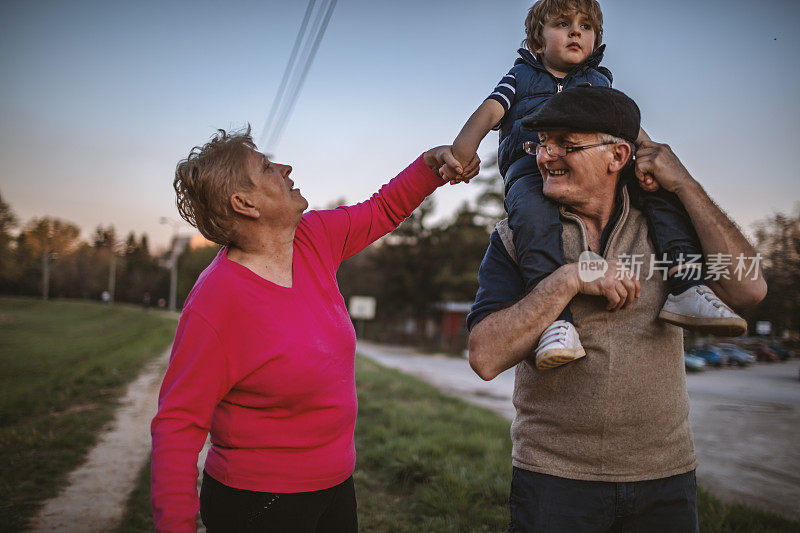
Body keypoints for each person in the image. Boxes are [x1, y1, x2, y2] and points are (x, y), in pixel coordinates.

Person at [466, 87, 766, 532]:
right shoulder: (517, 237)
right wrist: (568, 280)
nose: (546, 157)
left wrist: (684, 183)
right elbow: (485, 357)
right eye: (541, 143)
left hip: (665, 479)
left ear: (618, 155)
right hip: (553, 480)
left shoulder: (668, 234)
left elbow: (749, 289)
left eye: (567, 144)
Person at [149, 127, 478, 532]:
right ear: (244, 203)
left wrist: (432, 165)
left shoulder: (313, 238)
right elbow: (178, 424)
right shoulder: (217, 301)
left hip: (337, 487)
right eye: (267, 167)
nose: (286, 169)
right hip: (258, 503)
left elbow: (383, 210)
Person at [444, 0, 745, 370]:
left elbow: (627, 127)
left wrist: (650, 157)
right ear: (537, 43)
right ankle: (557, 323)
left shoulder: (598, 81)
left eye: (586, 26)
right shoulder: (521, 75)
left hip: (596, 167)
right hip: (529, 163)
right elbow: (491, 110)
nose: (575, 31)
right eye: (562, 23)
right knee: (533, 218)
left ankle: (685, 283)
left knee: (658, 190)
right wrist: (463, 151)